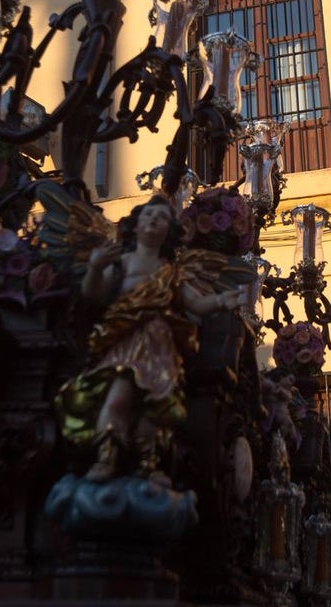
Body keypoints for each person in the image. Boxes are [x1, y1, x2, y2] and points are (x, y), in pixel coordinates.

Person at [55, 194, 243, 481]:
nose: (154, 219)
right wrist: (94, 266)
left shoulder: (171, 272)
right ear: (135, 224)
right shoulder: (121, 262)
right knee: (117, 399)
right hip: (126, 344)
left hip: (160, 349)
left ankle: (149, 464)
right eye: (148, 214)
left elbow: (194, 303)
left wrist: (220, 301)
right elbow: (94, 293)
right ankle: (107, 457)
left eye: (162, 217)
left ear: (170, 231)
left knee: (155, 409)